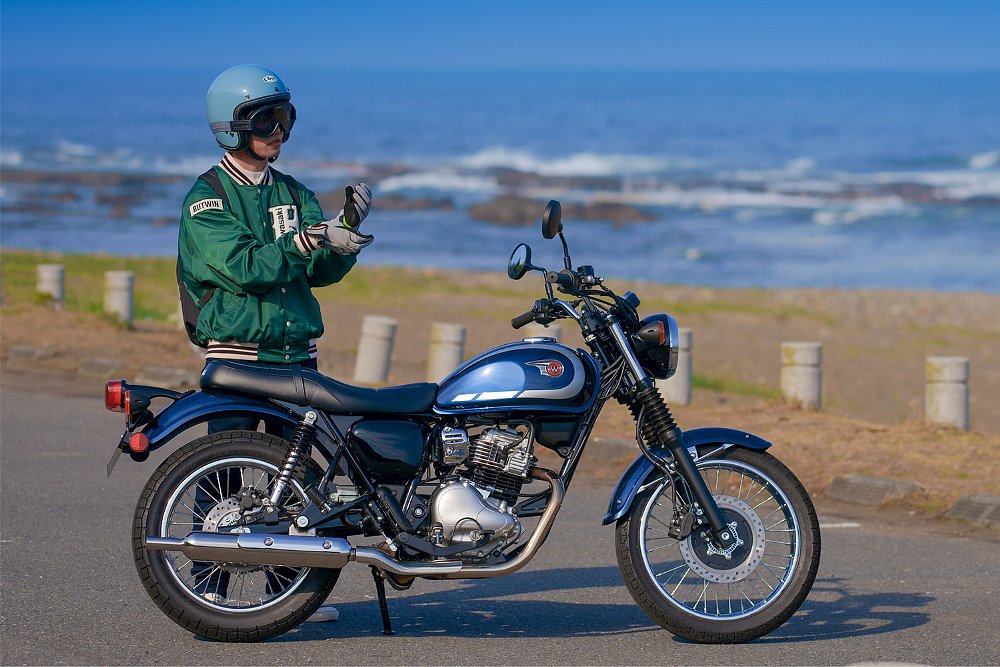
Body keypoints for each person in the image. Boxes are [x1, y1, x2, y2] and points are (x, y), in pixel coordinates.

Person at [177, 64, 372, 622]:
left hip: (297, 357)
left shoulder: (293, 191)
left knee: (300, 479)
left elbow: (319, 273)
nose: (278, 131)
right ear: (231, 126)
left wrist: (343, 241)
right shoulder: (207, 199)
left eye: (285, 118)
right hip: (239, 356)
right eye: (266, 119)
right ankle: (205, 583)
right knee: (223, 472)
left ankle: (290, 594)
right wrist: (309, 237)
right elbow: (243, 266)